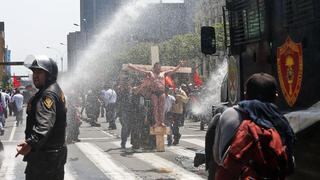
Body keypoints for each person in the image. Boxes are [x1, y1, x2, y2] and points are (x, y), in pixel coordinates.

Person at [212, 73, 295, 180]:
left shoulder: (229, 114)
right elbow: (289, 164)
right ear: (276, 97)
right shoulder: (281, 121)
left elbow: (218, 158)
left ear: (245, 95)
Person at [15, 56, 67, 180]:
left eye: (39, 72)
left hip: (44, 161)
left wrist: (30, 143)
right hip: (52, 157)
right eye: (34, 72)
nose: (35, 76)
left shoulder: (47, 95)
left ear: (49, 74)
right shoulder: (55, 90)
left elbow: (45, 124)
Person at [128, 61, 184, 127]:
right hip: (154, 92)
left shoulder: (163, 73)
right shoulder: (150, 73)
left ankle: (162, 122)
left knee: (162, 108)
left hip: (161, 92)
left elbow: (173, 70)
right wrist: (132, 67)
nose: (158, 69)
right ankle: (157, 122)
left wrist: (179, 65)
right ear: (154, 68)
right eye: (156, 67)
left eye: (159, 67)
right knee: (155, 107)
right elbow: (140, 70)